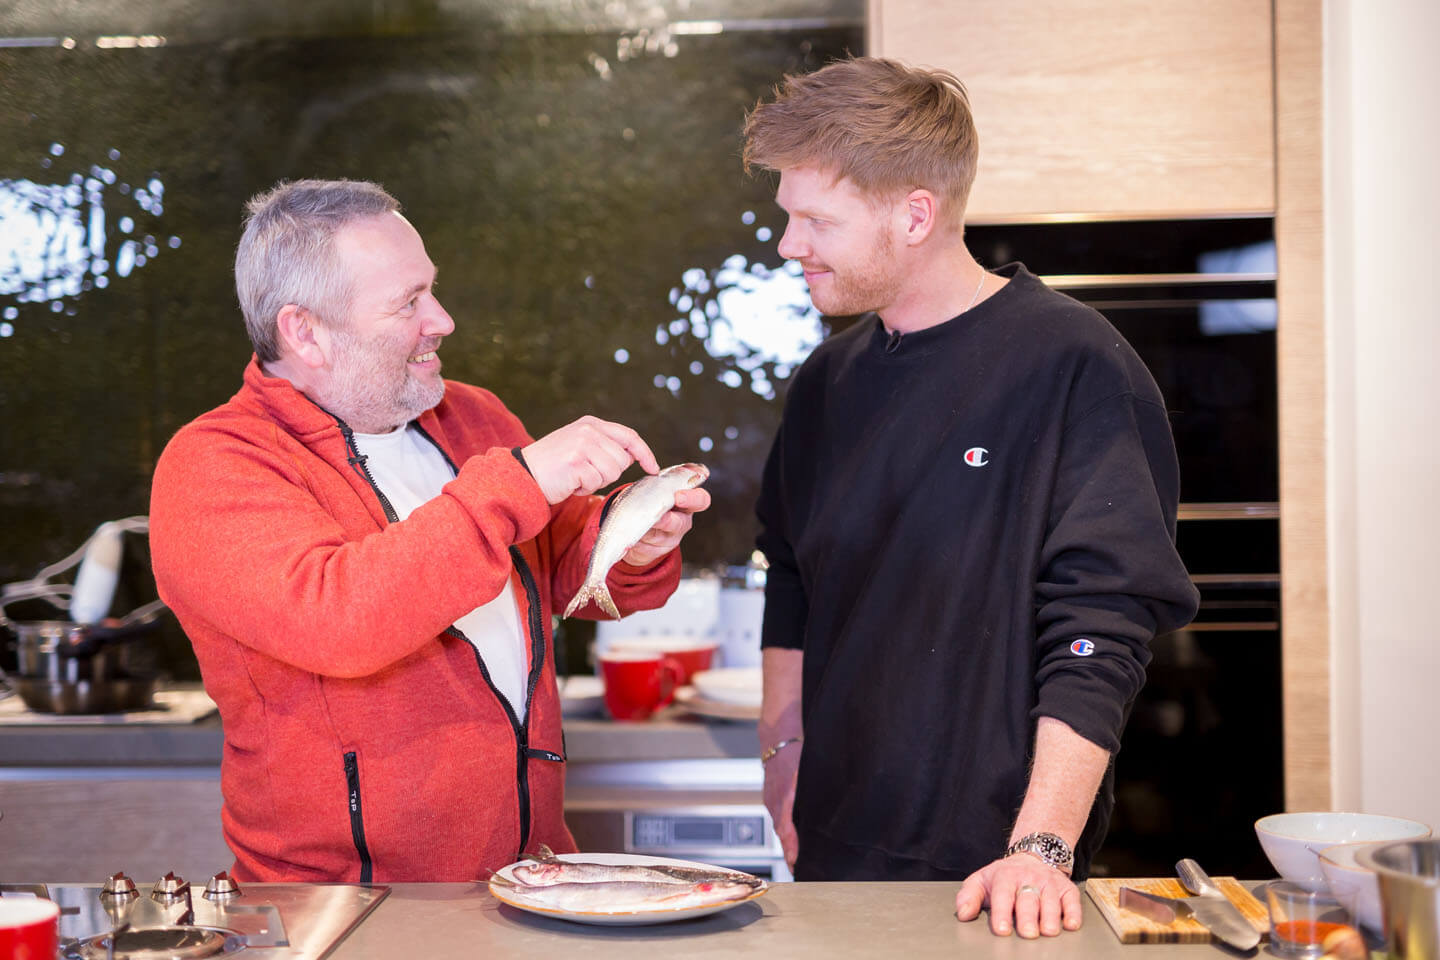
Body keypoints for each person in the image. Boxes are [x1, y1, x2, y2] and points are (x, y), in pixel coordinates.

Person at [742, 58, 1200, 937]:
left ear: (915, 214)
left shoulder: (1075, 365)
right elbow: (791, 576)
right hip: (835, 850)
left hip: (1004, 869)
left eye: (815, 220)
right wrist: (782, 751)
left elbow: (1101, 625)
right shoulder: (827, 384)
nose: (788, 244)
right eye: (787, 216)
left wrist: (1044, 846)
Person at [149, 179, 709, 883]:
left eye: (431, 291)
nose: (441, 319)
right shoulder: (217, 465)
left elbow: (558, 562)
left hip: (530, 886)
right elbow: (340, 620)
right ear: (304, 331)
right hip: (341, 913)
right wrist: (521, 482)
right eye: (408, 302)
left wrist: (630, 543)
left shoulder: (474, 420)